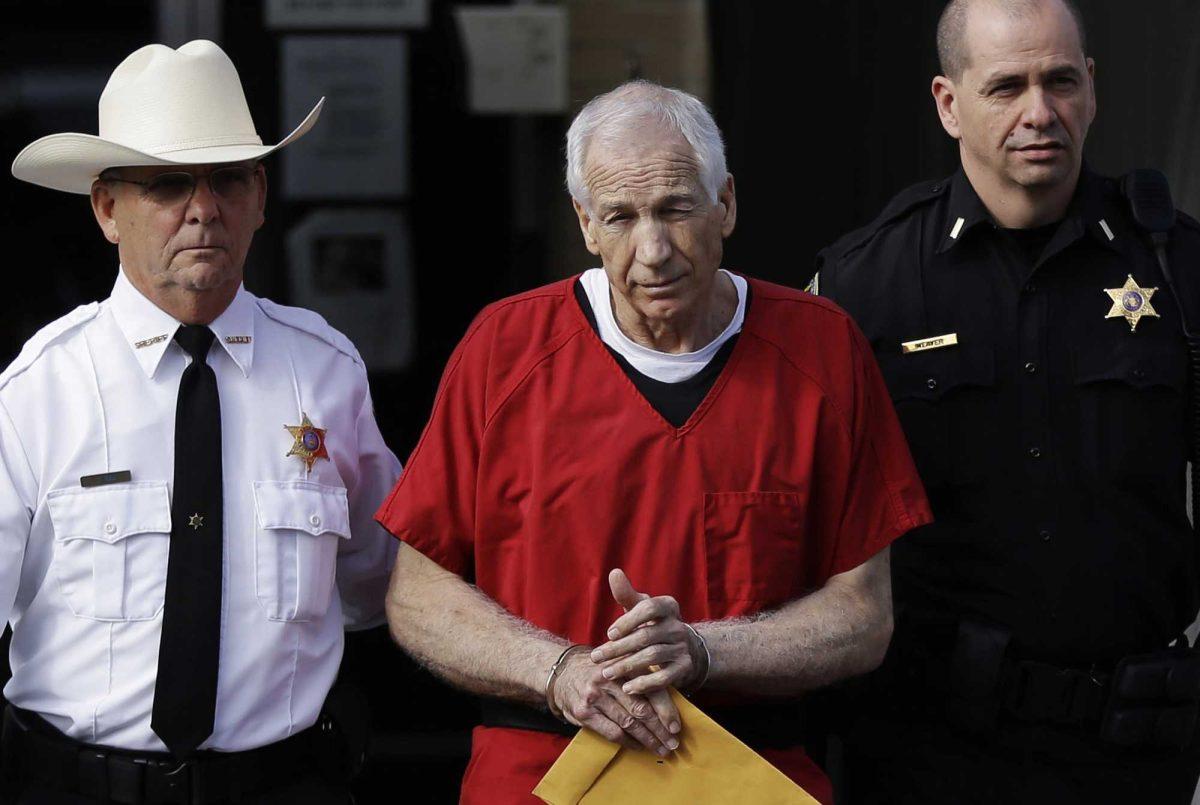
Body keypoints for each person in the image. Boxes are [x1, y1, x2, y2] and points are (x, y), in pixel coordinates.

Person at [375, 80, 932, 804]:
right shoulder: (503, 350)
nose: (654, 249)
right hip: (541, 776)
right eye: (621, 216)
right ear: (584, 223)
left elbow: (864, 615)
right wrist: (562, 671)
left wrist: (703, 650)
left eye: (675, 208)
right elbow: (416, 596)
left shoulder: (822, 349)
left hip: (752, 776)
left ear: (725, 202)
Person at [812, 1, 1200, 802]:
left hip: (1132, 750)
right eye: (1006, 86)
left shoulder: (1177, 267)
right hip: (931, 750)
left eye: (1061, 80)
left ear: (1091, 89)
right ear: (949, 104)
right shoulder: (861, 286)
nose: (1039, 112)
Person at [1, 40, 400, 804]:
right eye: (169, 184)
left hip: (283, 784)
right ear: (106, 208)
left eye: (227, 179)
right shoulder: (39, 390)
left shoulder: (326, 371)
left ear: (259, 196)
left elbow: (383, 582)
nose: (203, 208)